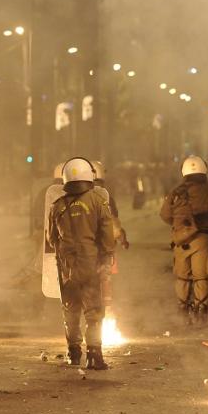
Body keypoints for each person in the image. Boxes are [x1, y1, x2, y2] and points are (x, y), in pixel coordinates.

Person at [48, 157, 116, 369]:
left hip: (67, 268)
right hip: (91, 265)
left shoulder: (57, 206)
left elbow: (51, 239)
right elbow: (106, 234)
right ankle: (94, 354)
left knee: (71, 310)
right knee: (94, 312)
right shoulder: (98, 201)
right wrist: (106, 257)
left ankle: (74, 352)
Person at [159, 155, 208, 327]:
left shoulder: (177, 191)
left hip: (180, 240)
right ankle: (201, 313)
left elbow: (165, 215)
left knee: (182, 277)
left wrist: (182, 226)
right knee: (201, 277)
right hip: (202, 239)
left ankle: (182, 312)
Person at [91, 160, 130, 311]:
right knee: (104, 280)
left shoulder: (75, 196)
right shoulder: (105, 197)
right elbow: (113, 225)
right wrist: (122, 238)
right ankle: (104, 313)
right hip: (103, 249)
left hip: (81, 249)